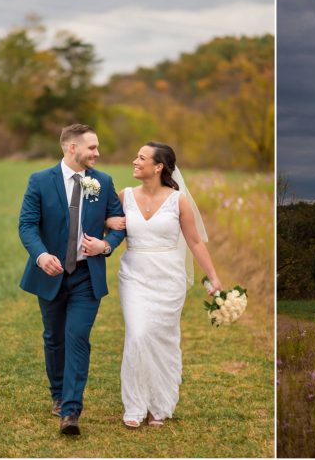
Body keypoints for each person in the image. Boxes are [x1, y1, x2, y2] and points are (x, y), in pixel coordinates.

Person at [18, 124, 126, 435]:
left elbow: (119, 224)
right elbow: (27, 225)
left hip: (85, 275)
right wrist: (41, 256)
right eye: (92, 148)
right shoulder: (39, 181)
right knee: (53, 338)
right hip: (50, 272)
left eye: (97, 147)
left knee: (77, 337)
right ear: (71, 148)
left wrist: (105, 245)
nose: (98, 153)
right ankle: (57, 395)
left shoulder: (102, 182)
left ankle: (71, 410)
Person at [106, 141, 223, 428]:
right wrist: (109, 221)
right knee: (137, 334)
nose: (135, 161)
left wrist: (213, 276)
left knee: (162, 339)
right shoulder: (124, 196)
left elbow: (195, 241)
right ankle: (134, 405)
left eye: (141, 157)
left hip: (169, 277)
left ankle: (159, 404)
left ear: (158, 166)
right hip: (134, 274)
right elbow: (105, 229)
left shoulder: (178, 200)